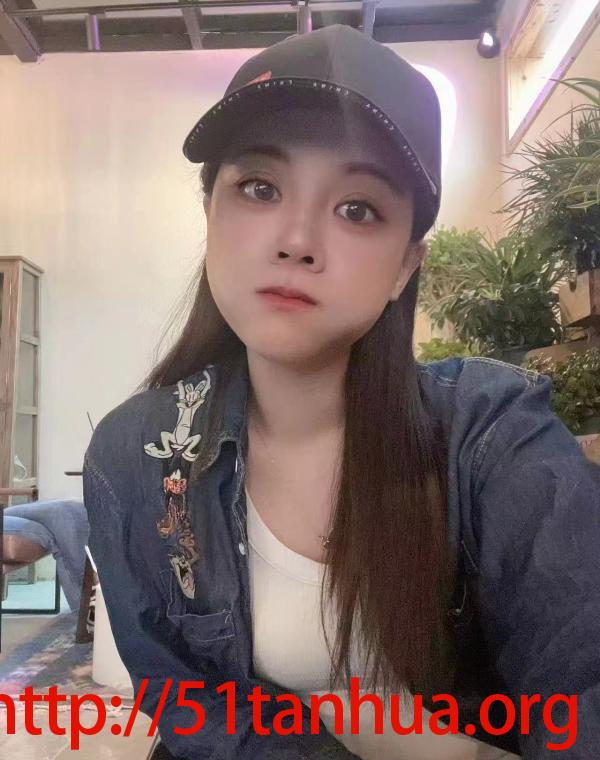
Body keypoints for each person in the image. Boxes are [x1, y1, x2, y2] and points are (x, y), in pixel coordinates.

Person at [82, 24, 600, 760]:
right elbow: (189, 708)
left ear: (404, 266)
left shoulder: (491, 436)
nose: (296, 239)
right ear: (210, 213)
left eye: (358, 208)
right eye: (259, 188)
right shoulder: (135, 454)